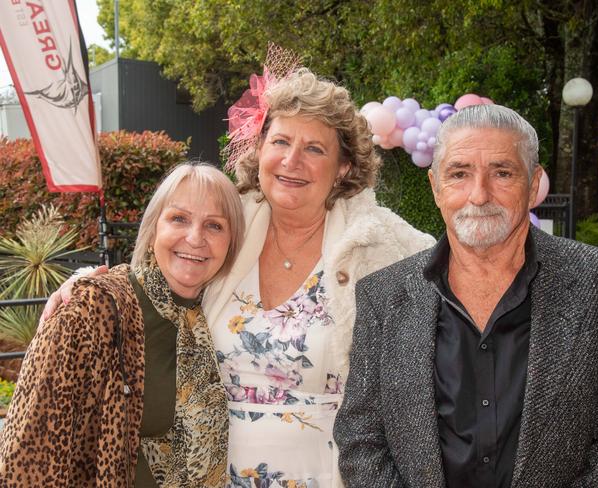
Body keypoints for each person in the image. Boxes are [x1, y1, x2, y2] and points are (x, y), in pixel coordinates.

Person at [40, 49, 436, 486]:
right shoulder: (224, 226)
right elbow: (154, 286)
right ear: (260, 149)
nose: (291, 161)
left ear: (343, 167)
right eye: (281, 142)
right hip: (205, 475)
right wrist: (90, 287)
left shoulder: (384, 249)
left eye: (314, 148)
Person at [333, 104, 598, 487]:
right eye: (459, 174)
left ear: (533, 184)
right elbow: (361, 438)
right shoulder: (383, 295)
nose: (479, 195)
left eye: (502, 173)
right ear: (435, 187)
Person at [0, 162, 245, 487]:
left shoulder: (219, 315)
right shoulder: (93, 308)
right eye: (179, 218)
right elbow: (27, 453)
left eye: (214, 226)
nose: (195, 237)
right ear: (153, 227)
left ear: (231, 242)